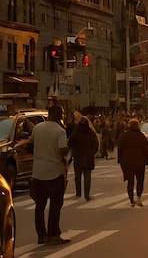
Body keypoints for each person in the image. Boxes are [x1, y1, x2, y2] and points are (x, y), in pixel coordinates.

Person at [27, 104, 71, 245]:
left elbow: (29, 146)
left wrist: (40, 153)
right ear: (59, 115)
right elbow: (63, 150)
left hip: (38, 171)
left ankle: (41, 235)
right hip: (54, 171)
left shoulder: (37, 128)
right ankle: (53, 234)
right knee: (55, 204)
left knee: (40, 205)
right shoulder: (60, 131)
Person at [117, 118, 148, 207]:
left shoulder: (124, 136)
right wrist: (147, 160)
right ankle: (139, 197)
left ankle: (131, 199)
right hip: (140, 162)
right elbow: (146, 150)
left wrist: (120, 161)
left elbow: (120, 149)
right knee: (140, 181)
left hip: (127, 162)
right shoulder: (141, 136)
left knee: (130, 182)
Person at [67, 113, 99, 200]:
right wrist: (92, 152)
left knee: (77, 175)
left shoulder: (75, 133)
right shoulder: (91, 133)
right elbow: (96, 145)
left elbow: (69, 143)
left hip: (78, 156)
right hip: (88, 156)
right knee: (87, 175)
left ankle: (78, 192)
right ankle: (87, 195)